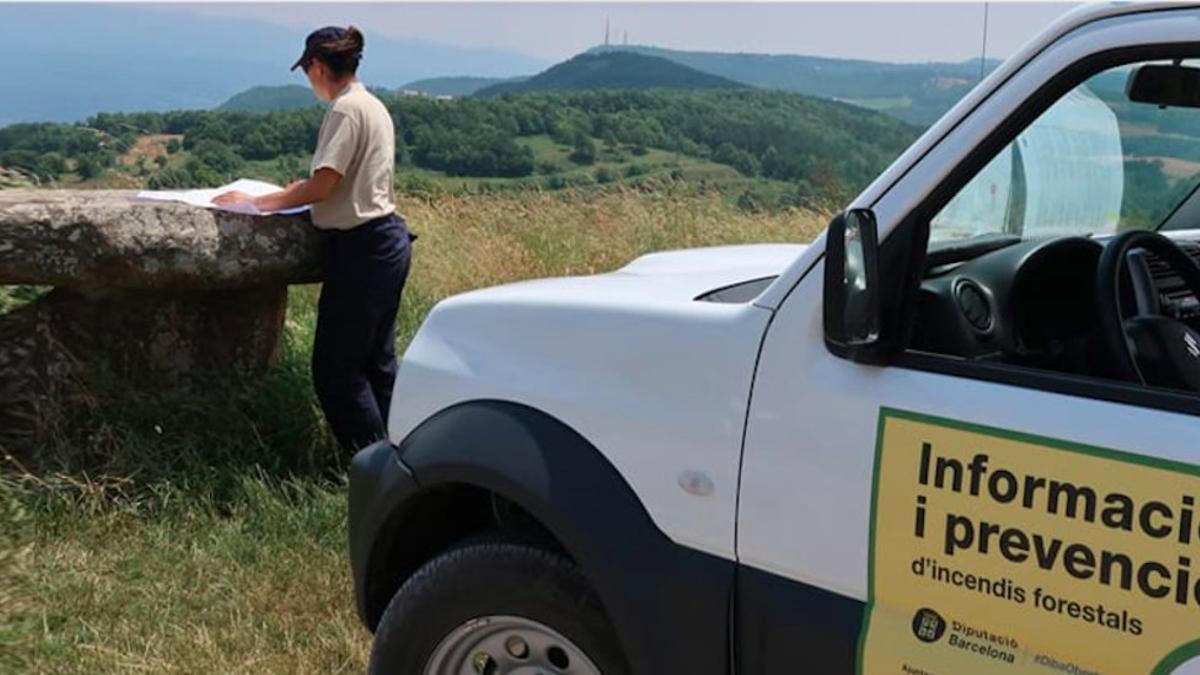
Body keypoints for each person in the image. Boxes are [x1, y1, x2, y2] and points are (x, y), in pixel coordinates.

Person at [215, 25, 412, 453]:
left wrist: (261, 202)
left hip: (361, 249)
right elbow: (345, 181)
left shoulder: (344, 110)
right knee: (377, 364)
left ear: (318, 66)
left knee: (337, 372)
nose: (309, 80)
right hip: (387, 241)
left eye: (307, 71)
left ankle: (374, 470)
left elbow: (323, 186)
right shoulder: (372, 104)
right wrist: (298, 190)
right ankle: (406, 461)